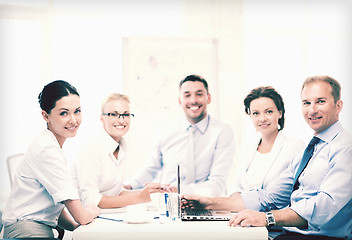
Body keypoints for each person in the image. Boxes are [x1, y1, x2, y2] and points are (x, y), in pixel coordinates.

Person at [182, 76, 352, 240]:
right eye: (306, 103)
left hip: (321, 237)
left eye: (320, 101)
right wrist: (208, 203)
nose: (312, 110)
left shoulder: (345, 147)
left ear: (338, 106)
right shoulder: (312, 148)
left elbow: (324, 207)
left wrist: (267, 218)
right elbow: (270, 197)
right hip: (290, 234)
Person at [1, 80, 100, 238]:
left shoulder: (50, 145)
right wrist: (93, 210)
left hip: (32, 230)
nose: (73, 120)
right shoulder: (47, 151)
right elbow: (81, 215)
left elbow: (52, 206)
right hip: (26, 232)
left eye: (77, 111)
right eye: (64, 113)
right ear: (46, 116)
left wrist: (77, 226)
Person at [124, 74, 236, 196]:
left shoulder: (223, 131)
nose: (193, 100)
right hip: (168, 202)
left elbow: (217, 184)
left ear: (208, 98)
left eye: (199, 94)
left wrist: (179, 190)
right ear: (180, 101)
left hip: (207, 204)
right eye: (187, 95)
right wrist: (130, 186)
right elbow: (151, 167)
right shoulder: (165, 129)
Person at [75, 93, 164, 208]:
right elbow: (90, 200)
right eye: (114, 114)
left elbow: (116, 192)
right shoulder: (92, 147)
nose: (121, 120)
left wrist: (150, 192)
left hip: (108, 215)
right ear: (102, 119)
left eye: (125, 114)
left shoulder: (122, 145)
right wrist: (140, 197)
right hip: (86, 219)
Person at [229, 86, 305, 193]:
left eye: (268, 112)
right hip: (241, 208)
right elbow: (235, 186)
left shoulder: (295, 147)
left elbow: (296, 190)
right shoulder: (246, 149)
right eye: (256, 113)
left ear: (280, 113)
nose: (262, 119)